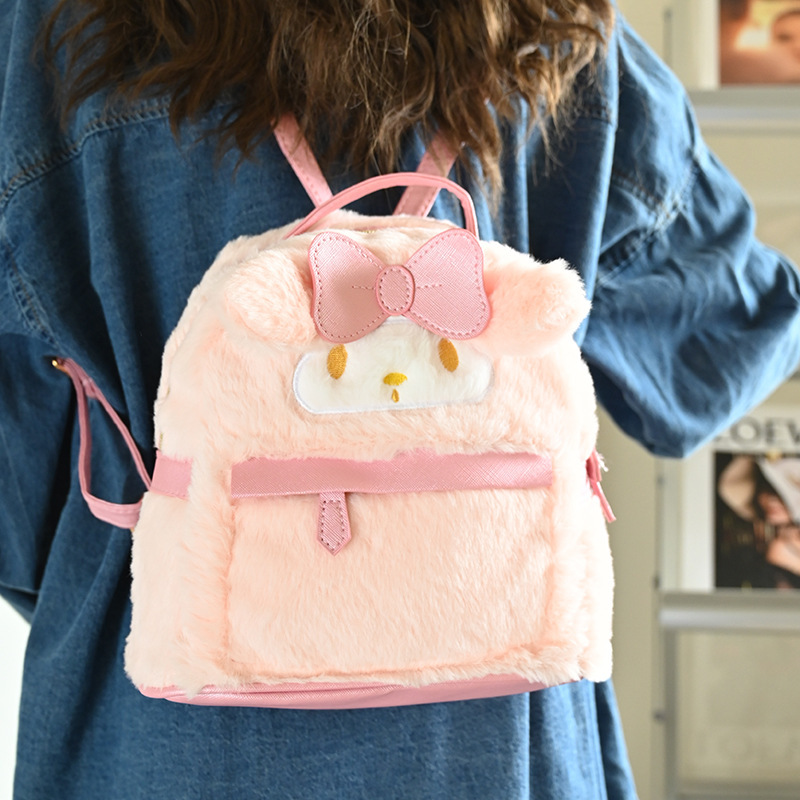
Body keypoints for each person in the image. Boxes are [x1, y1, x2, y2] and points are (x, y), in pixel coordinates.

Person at [2, 1, 800, 798]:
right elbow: (721, 350)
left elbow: (16, 499)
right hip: (498, 737)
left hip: (153, 740)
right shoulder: (560, 35)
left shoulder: (48, 31)